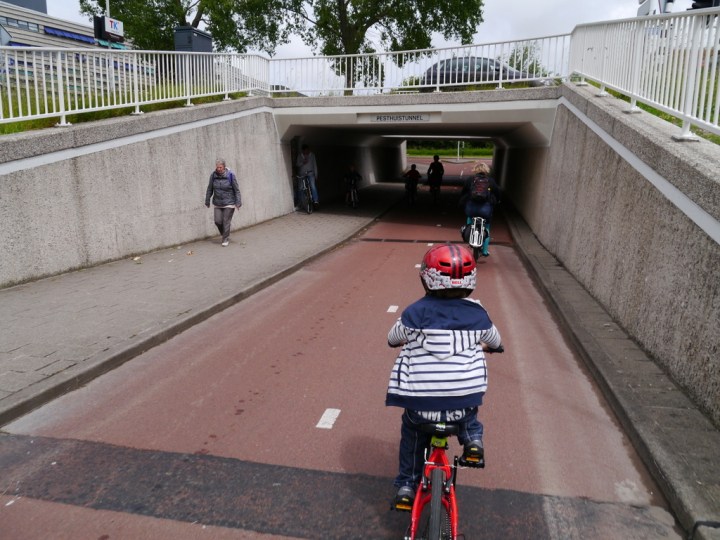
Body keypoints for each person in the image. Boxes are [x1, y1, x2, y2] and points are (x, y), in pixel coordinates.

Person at [386, 244, 503, 510]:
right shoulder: (478, 315)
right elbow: (496, 341)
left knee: (412, 434)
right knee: (468, 406)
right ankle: (472, 440)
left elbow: (392, 339)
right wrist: (488, 346)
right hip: (459, 408)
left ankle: (406, 484)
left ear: (426, 278)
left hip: (420, 410)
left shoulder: (414, 313)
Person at [459, 162, 500, 256]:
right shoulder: (491, 181)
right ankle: (485, 251)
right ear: (486, 170)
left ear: (475, 170)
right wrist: (497, 201)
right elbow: (497, 193)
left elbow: (464, 192)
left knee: (469, 219)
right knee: (487, 228)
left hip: (471, 209)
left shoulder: (470, 180)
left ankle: (469, 236)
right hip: (485, 210)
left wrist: (462, 201)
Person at [205, 159, 242, 247]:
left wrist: (238, 202)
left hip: (229, 202)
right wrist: (207, 200)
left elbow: (236, 190)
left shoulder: (230, 175)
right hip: (217, 202)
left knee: (226, 221)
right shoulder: (213, 175)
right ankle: (225, 234)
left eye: (220, 167)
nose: (219, 169)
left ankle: (225, 238)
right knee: (217, 221)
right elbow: (210, 188)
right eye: (217, 167)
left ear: (224, 167)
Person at [296, 144, 319, 209]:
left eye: (307, 151)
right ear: (302, 151)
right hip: (302, 174)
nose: (306, 152)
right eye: (305, 151)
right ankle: (301, 202)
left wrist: (316, 174)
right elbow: (297, 164)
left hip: (310, 173)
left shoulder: (312, 155)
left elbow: (314, 165)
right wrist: (302, 162)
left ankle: (315, 201)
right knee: (300, 188)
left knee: (312, 186)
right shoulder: (300, 156)